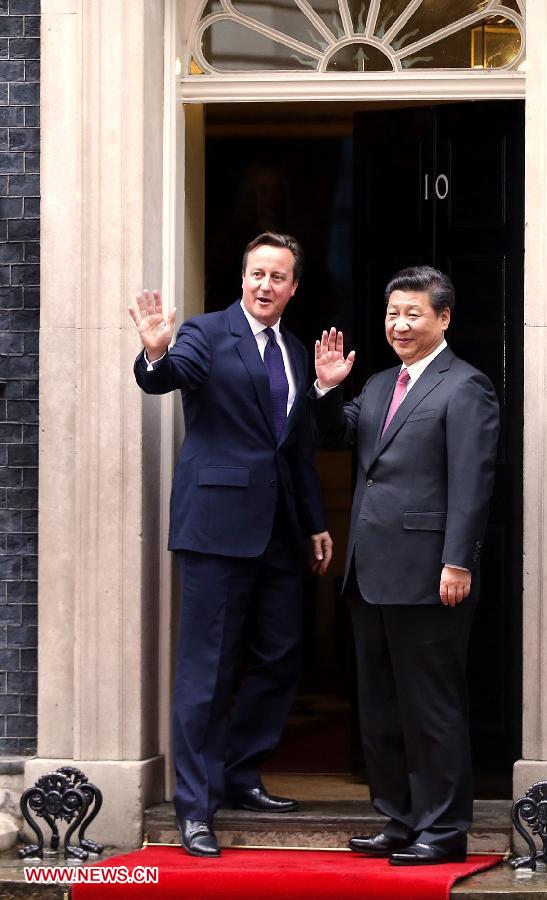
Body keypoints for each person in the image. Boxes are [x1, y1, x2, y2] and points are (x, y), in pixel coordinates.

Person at [129, 232, 332, 858]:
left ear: (294, 287)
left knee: (281, 656)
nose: (265, 286)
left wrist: (316, 522)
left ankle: (240, 772)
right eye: (256, 274)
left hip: (278, 530)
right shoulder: (204, 333)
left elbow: (294, 448)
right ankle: (196, 807)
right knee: (206, 670)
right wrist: (155, 354)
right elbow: (167, 377)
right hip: (216, 528)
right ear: (241, 278)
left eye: (278, 277)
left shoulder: (296, 351)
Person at [310, 265, 499, 866]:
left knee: (431, 706)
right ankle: (398, 818)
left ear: (443, 318)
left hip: (430, 574)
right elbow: (336, 438)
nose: (400, 324)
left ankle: (443, 830)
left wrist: (458, 562)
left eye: (413, 313)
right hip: (370, 572)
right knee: (382, 704)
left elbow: (473, 481)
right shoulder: (379, 382)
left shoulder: (464, 386)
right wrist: (327, 389)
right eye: (394, 313)